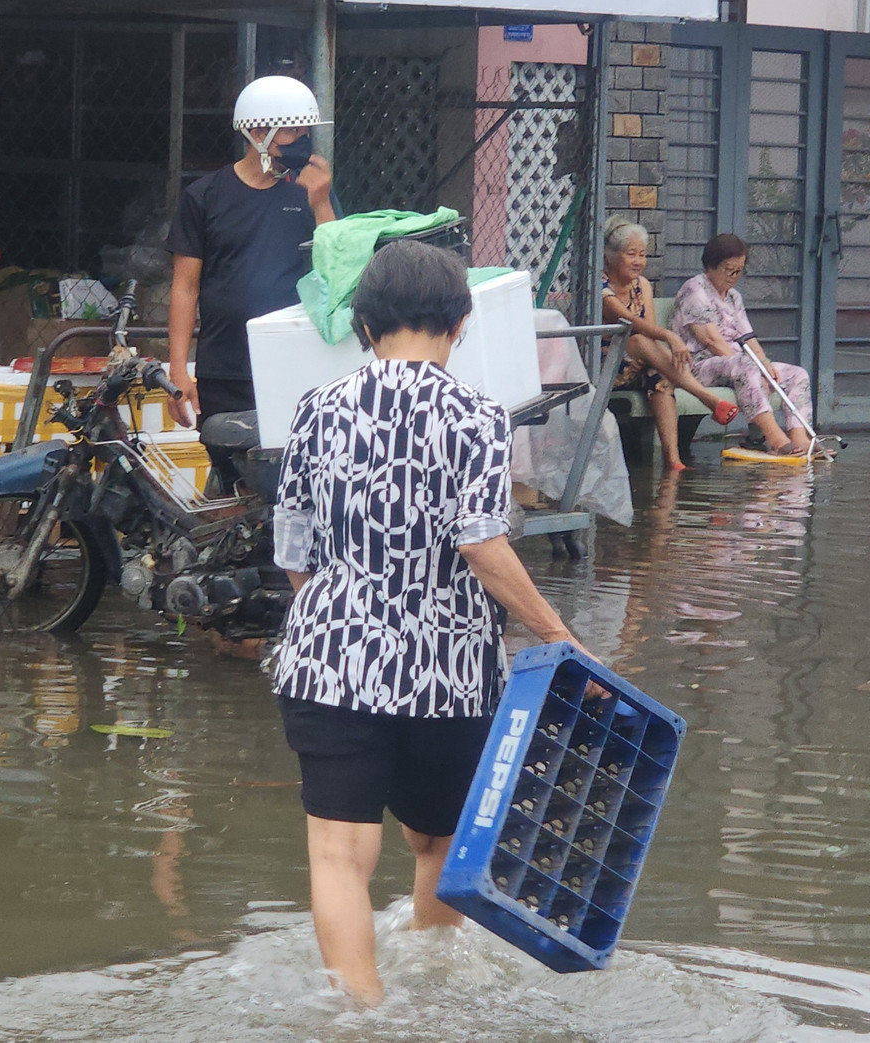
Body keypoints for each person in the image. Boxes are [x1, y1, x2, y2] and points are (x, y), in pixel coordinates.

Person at [270, 240, 596, 1006]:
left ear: (365, 323)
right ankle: (436, 988)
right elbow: (481, 543)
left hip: (331, 664)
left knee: (339, 854)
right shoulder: (479, 415)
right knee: (440, 842)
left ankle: (362, 1012)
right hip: (448, 676)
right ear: (459, 322)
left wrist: (339, 618)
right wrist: (558, 635)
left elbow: (293, 547)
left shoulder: (316, 408)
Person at [164, 75, 337, 432]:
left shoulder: (312, 189)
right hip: (225, 368)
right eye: (292, 131)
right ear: (258, 133)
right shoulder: (205, 196)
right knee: (228, 459)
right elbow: (184, 287)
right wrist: (178, 370)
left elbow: (337, 268)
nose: (302, 140)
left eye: (306, 131)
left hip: (296, 362)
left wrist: (321, 204)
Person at [601, 217, 738, 472]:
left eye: (642, 254)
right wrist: (671, 337)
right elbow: (630, 323)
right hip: (606, 367)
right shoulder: (601, 288)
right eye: (631, 254)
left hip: (641, 363)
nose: (638, 261)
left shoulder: (642, 285)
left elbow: (651, 331)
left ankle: (673, 460)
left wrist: (662, 346)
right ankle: (707, 398)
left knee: (659, 376)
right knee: (637, 338)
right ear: (611, 256)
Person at [671, 233, 819, 457]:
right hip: (699, 366)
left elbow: (748, 337)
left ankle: (800, 437)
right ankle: (775, 439)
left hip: (736, 365)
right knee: (747, 366)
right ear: (711, 266)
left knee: (797, 374)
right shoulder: (694, 289)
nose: (734, 277)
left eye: (739, 271)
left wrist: (765, 364)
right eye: (729, 270)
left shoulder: (733, 297)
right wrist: (753, 367)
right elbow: (711, 341)